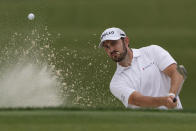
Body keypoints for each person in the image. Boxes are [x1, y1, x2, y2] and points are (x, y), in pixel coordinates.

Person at [99, 27, 185, 109]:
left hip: (177, 121)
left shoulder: (153, 51)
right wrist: (164, 101)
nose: (111, 50)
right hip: (146, 123)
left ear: (126, 41)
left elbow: (176, 72)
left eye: (114, 43)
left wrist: (172, 95)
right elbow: (137, 100)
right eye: (106, 47)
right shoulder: (116, 83)